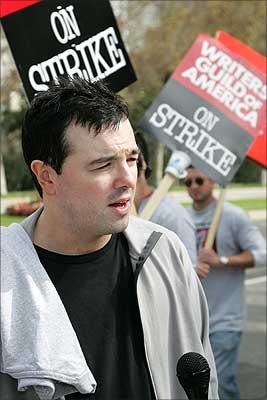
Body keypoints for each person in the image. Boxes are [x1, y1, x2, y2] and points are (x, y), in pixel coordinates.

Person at [0, 76, 218, 400]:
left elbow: (206, 377)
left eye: (131, 159)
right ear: (47, 176)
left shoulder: (165, 251)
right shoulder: (7, 279)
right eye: (104, 165)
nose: (128, 179)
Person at [184, 166, 266, 400]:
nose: (194, 186)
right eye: (188, 182)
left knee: (220, 385)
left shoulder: (232, 215)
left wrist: (221, 259)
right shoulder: (184, 217)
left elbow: (262, 254)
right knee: (196, 389)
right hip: (193, 320)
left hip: (225, 321)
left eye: (199, 180)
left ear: (213, 181)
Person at [134, 132, 197, 268]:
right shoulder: (113, 212)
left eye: (130, 159)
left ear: (141, 164)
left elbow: (187, 274)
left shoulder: (173, 215)